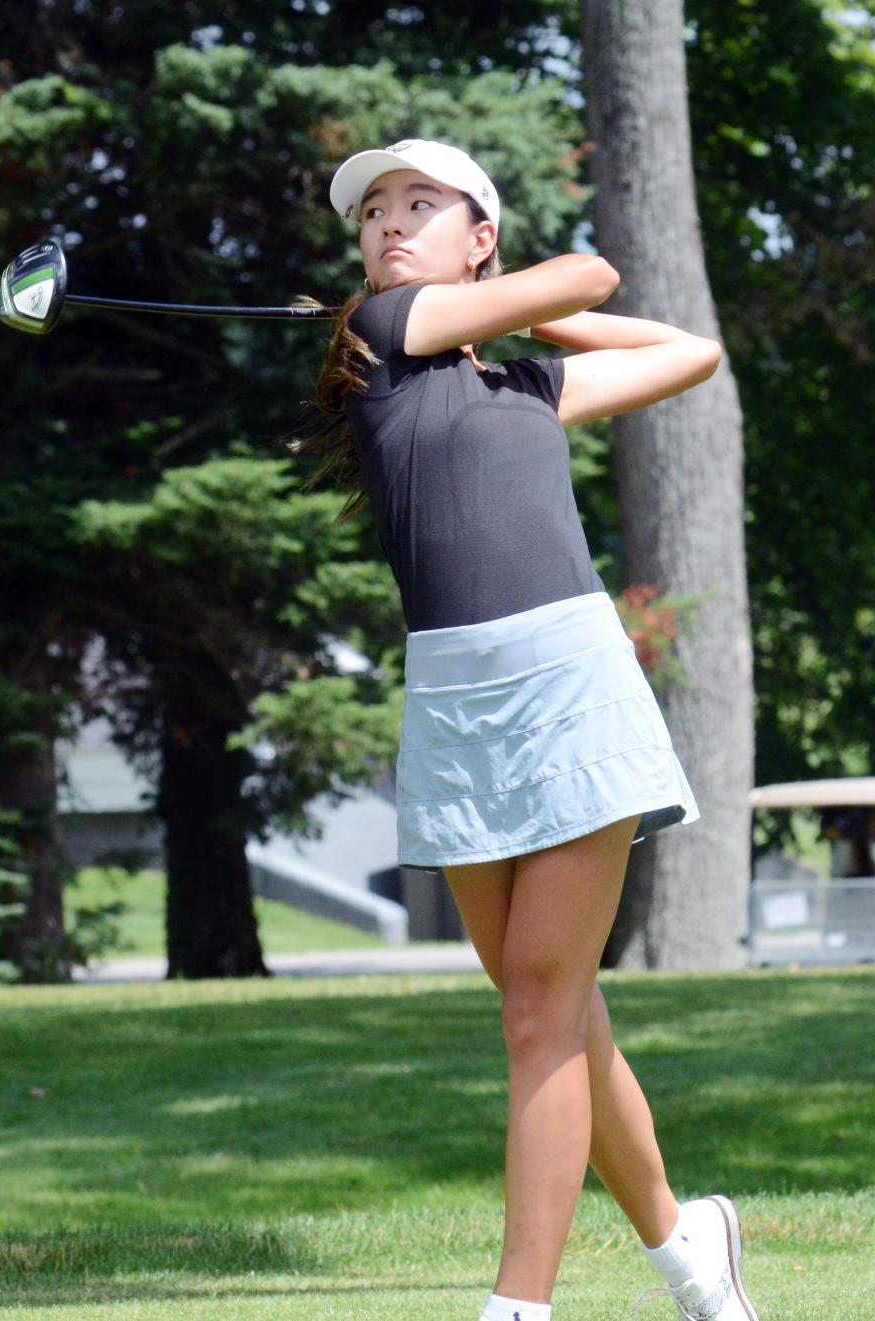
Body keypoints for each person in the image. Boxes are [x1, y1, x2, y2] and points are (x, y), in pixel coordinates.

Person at [295, 138, 760, 1321]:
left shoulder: (525, 389)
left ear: (480, 237)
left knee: (537, 1014)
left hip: (566, 681)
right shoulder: (380, 337)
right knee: (547, 1007)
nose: (390, 226)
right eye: (375, 213)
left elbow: (680, 348)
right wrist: (522, 307)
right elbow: (586, 276)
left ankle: (518, 1309)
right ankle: (690, 1250)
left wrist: (539, 334)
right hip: (455, 699)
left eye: (421, 204)